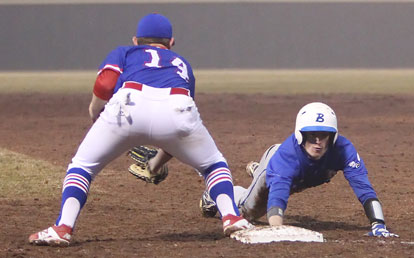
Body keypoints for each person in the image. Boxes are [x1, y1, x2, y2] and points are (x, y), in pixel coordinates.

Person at [29, 13, 251, 247]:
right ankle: (231, 217)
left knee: (82, 167)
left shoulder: (125, 52)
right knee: (212, 165)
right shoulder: (180, 63)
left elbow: (105, 84)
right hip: (177, 107)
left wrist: (96, 113)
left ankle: (63, 228)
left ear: (136, 41)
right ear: (171, 43)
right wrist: (156, 162)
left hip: (128, 107)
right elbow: (179, 129)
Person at [200, 102, 399, 238]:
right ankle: (214, 194)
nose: (318, 142)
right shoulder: (287, 157)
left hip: (299, 174)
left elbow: (363, 188)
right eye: (312, 135)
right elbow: (277, 199)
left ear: (334, 136)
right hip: (276, 163)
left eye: (324, 135)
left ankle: (259, 172)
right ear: (300, 135)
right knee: (248, 211)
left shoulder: (343, 150)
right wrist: (277, 230)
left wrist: (378, 224)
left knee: (291, 182)